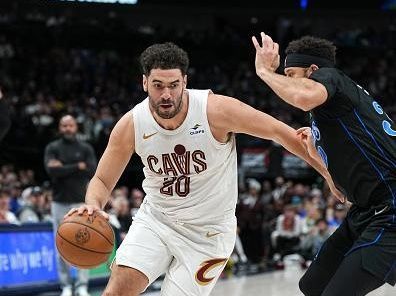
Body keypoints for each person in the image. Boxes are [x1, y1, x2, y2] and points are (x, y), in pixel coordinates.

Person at [67, 42, 342, 296]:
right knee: (116, 291)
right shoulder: (131, 124)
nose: (166, 94)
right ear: (144, 83)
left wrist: (330, 174)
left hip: (208, 234)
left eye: (174, 85)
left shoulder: (215, 110)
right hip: (157, 220)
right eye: (158, 85)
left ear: (185, 82)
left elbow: (284, 134)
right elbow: (102, 180)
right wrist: (92, 205)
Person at [252, 33, 396, 296]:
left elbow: (302, 96)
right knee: (312, 285)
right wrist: (322, 164)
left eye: (291, 73)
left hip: (391, 208)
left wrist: (264, 71)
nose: (287, 81)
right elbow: (341, 185)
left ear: (314, 70)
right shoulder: (329, 113)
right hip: (367, 209)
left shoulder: (333, 79)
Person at [44, 115, 97, 296]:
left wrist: (64, 167)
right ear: (60, 127)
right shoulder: (53, 147)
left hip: (81, 203)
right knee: (61, 246)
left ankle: (82, 285)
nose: (67, 128)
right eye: (64, 125)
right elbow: (51, 170)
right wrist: (77, 166)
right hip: (59, 203)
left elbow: (92, 170)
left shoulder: (85, 148)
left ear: (76, 127)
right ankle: (65, 285)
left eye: (70, 125)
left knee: (85, 245)